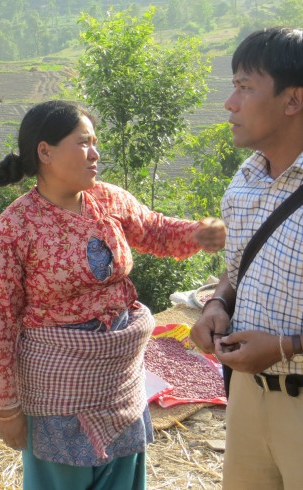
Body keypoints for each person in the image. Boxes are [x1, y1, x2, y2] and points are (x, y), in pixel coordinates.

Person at [0, 100, 226, 490]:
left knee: (123, 479)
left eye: (95, 143)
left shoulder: (108, 200)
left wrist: (198, 233)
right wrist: (7, 408)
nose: (95, 154)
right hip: (58, 390)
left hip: (120, 382)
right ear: (45, 151)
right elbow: (1, 321)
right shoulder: (13, 229)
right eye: (83, 144)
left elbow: (155, 230)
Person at [190, 27, 303, 490]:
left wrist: (287, 347)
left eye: (244, 87)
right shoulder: (247, 178)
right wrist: (218, 304)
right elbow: (238, 269)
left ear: (292, 101)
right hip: (248, 398)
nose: (229, 103)